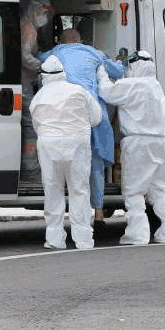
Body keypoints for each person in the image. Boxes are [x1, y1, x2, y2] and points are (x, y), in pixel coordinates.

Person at [39, 29, 124, 225]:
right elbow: (118, 72)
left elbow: (35, 61)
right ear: (81, 40)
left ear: (60, 41)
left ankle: (60, 222)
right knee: (95, 163)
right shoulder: (94, 52)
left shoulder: (55, 52)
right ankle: (99, 212)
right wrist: (120, 60)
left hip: (65, 114)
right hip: (94, 113)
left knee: (59, 170)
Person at [97, 51, 165, 245]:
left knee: (133, 192)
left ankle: (138, 234)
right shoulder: (155, 85)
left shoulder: (133, 85)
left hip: (138, 144)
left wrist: (101, 70)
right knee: (158, 190)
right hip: (160, 143)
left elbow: (106, 92)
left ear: (135, 67)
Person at [30, 55, 102, 250]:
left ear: (44, 76)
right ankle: (84, 240)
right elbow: (96, 118)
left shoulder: (38, 97)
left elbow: (37, 125)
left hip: (48, 145)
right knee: (79, 190)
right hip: (77, 144)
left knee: (53, 191)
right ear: (63, 74)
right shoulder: (79, 90)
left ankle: (54, 239)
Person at [19, 0, 54, 184]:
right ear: (34, 8)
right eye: (42, 11)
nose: (45, 16)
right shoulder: (28, 28)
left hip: (27, 83)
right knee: (32, 125)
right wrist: (43, 66)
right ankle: (30, 171)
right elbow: (25, 57)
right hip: (24, 83)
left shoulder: (27, 25)